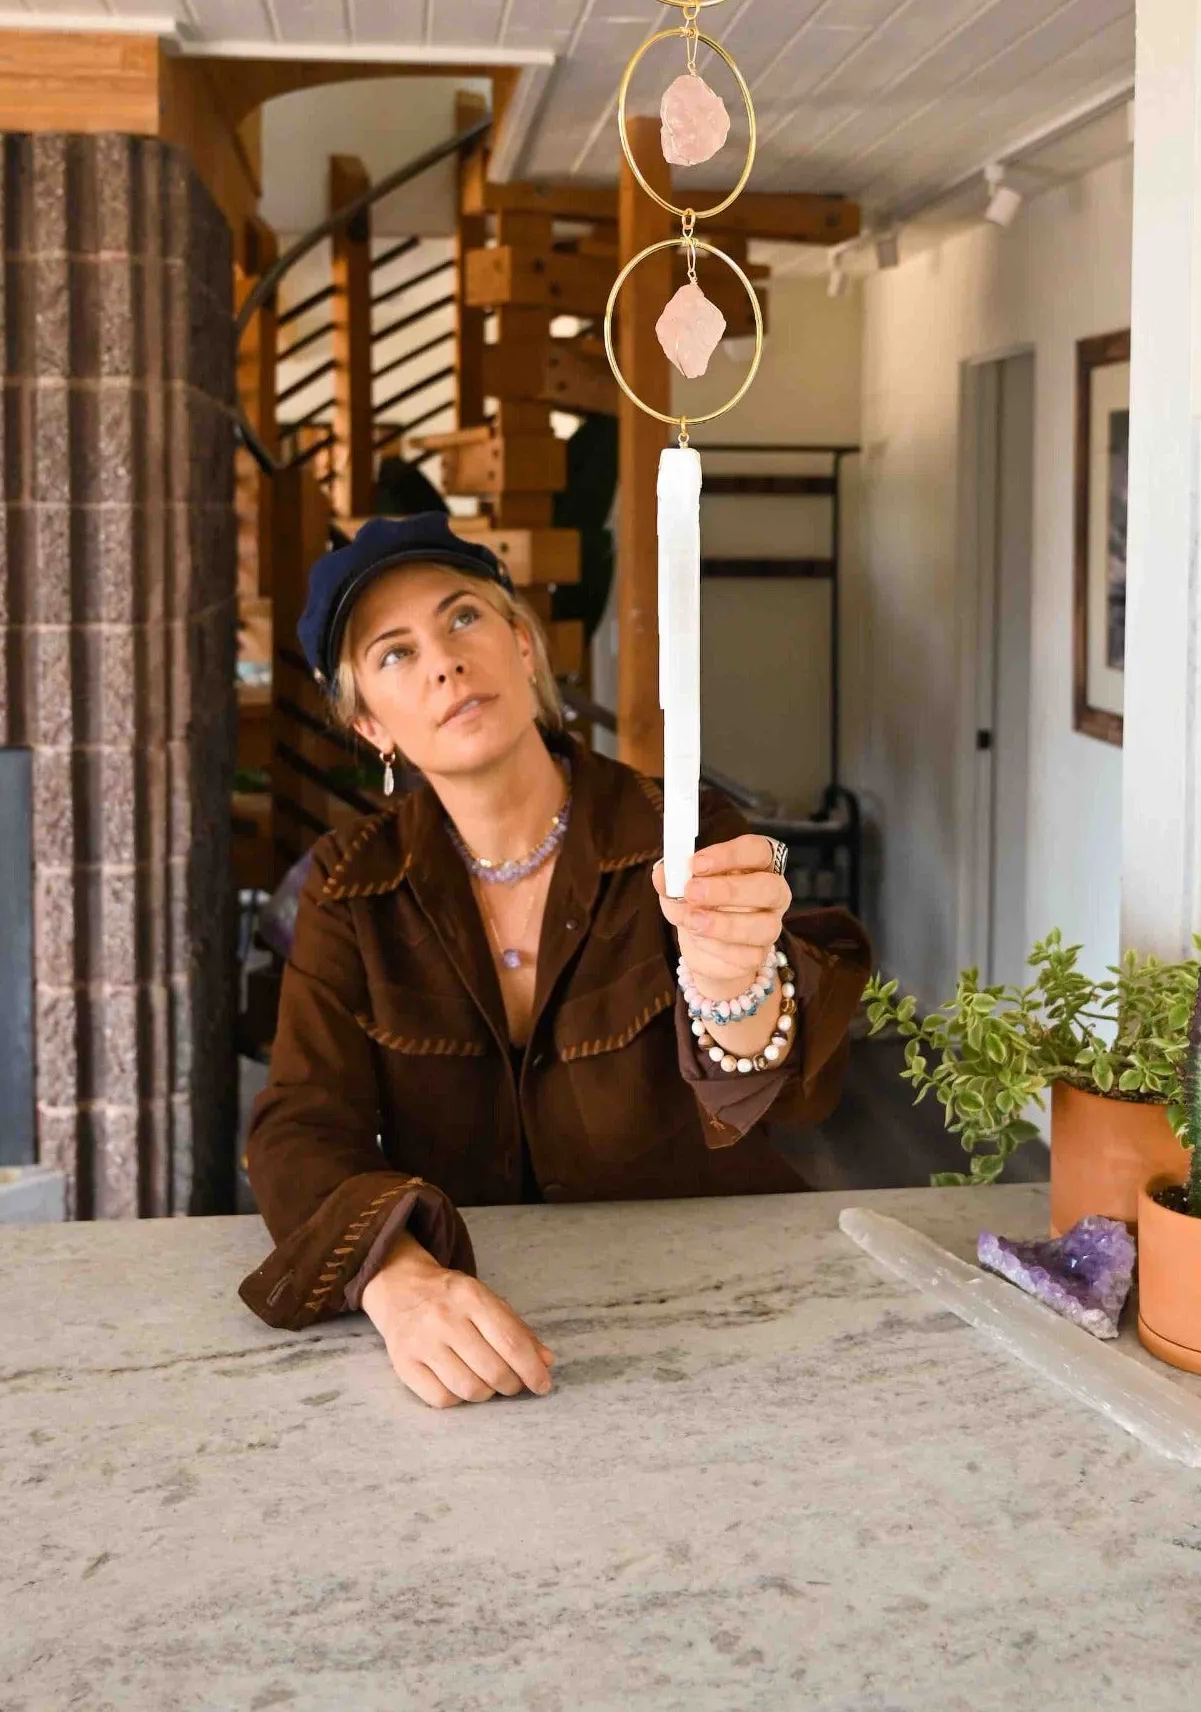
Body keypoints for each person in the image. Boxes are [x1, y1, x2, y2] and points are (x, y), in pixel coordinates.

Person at [239, 513, 870, 1409]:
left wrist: (737, 989)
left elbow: (794, 1095)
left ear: (522, 647)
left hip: (714, 1313)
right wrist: (395, 1277)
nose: (444, 662)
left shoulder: (683, 833)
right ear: (370, 726)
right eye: (393, 653)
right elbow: (297, 1123)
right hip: (480, 1337)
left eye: (463, 618)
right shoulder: (350, 887)